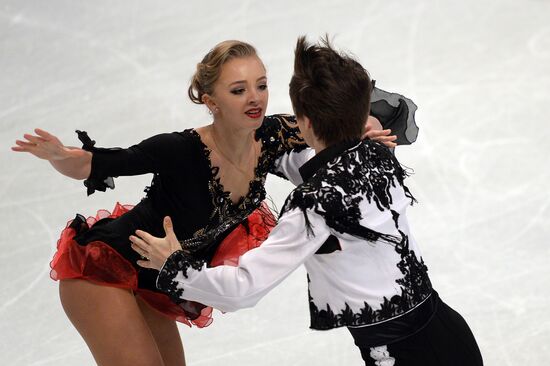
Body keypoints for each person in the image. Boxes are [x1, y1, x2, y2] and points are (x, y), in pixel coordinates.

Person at [12, 39, 416, 366]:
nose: (254, 98)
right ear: (211, 100)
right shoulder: (180, 149)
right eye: (238, 90)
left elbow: (335, 124)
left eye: (261, 85)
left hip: (156, 275)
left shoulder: (272, 134)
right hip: (101, 270)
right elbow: (97, 163)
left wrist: (366, 133)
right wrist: (60, 155)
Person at [131, 36, 483, 366]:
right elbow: (308, 157)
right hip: (451, 334)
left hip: (401, 356)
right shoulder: (376, 150)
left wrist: (174, 266)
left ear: (304, 122)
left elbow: (243, 288)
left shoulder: (312, 205)